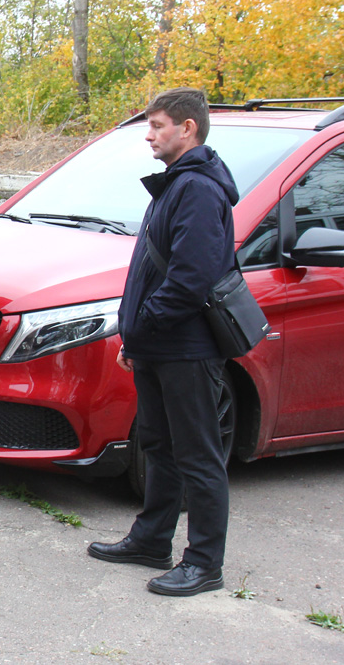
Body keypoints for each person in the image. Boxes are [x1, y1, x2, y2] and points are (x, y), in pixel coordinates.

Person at [88, 87, 237, 597]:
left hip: (187, 347)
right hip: (158, 344)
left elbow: (190, 278)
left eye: (158, 126)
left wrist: (145, 324)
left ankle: (204, 563)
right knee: (159, 447)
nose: (149, 135)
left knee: (198, 455)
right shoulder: (176, 184)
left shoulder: (197, 188)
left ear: (188, 128)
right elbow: (154, 268)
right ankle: (151, 539)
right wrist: (137, 335)